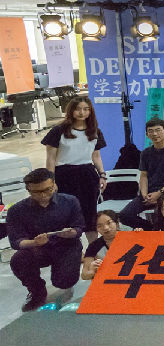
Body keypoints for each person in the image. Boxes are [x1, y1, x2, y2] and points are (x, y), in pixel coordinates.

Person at [7, 168, 84, 311]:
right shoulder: (17, 211)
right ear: (28, 190)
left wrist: (70, 233)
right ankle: (37, 291)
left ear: (54, 185)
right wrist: (34, 242)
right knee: (19, 259)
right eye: (37, 192)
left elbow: (79, 228)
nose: (43, 195)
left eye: (48, 190)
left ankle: (66, 279)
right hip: (38, 250)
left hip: (66, 246)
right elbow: (16, 241)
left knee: (63, 282)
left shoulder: (70, 201)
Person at [42, 97, 106, 242]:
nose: (82, 113)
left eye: (86, 109)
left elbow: (96, 156)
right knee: (66, 213)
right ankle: (72, 248)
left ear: (90, 111)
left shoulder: (95, 131)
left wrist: (102, 175)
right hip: (64, 175)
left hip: (88, 175)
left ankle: (93, 248)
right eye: (78, 109)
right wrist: (51, 181)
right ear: (71, 111)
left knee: (90, 213)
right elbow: (50, 159)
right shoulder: (58, 130)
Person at [120, 119, 164, 230]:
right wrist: (145, 194)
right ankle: (150, 229)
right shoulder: (145, 153)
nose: (154, 134)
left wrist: (159, 193)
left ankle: (158, 231)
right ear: (147, 134)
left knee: (160, 215)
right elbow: (143, 175)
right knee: (125, 215)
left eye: (158, 130)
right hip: (149, 193)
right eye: (151, 131)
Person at [81, 210, 120, 280]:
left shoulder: (130, 238)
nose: (105, 228)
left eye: (109, 223)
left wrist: (140, 235)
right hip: (110, 280)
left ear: (116, 223)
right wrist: (92, 271)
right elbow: (84, 275)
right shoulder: (94, 246)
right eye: (99, 226)